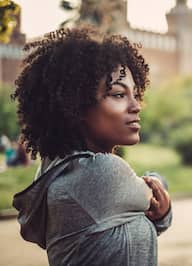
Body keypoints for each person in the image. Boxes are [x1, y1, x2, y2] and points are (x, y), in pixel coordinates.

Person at [12, 27, 172, 266]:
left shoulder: (59, 169)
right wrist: (158, 188)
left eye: (136, 94)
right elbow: (155, 199)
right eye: (118, 94)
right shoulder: (100, 173)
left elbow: (148, 217)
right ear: (77, 105)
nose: (136, 106)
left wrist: (159, 209)